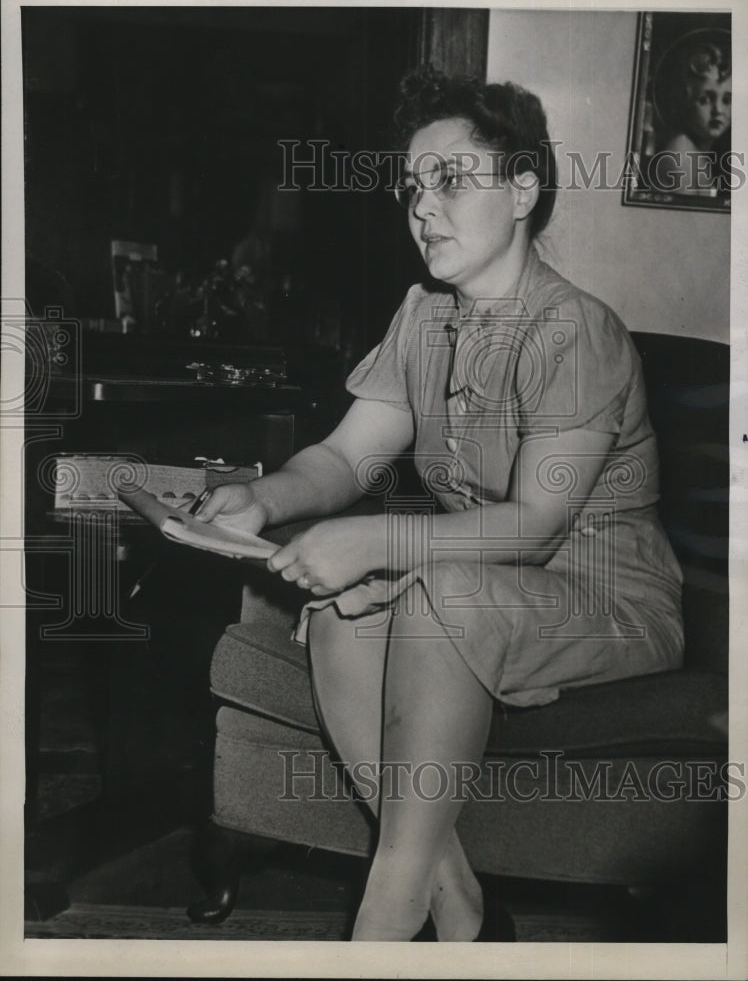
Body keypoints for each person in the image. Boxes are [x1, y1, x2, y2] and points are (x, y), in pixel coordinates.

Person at [197, 69, 684, 942]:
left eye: (452, 181)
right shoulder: (423, 316)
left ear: (524, 191)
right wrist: (260, 500)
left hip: (609, 601)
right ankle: (458, 906)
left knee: (432, 595)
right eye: (414, 186)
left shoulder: (577, 332)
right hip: (484, 580)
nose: (423, 207)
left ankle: (386, 917)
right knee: (346, 608)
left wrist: (378, 540)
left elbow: (537, 523)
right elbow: (347, 455)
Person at [651, 33, 731, 196]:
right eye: (705, 100)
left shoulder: (699, 153)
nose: (718, 110)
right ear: (685, 100)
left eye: (727, 100)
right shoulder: (679, 154)